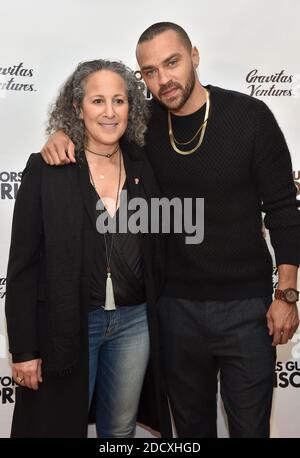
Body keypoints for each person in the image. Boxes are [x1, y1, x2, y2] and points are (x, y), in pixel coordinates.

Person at [41, 23, 300, 438]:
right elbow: (98, 135)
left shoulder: (250, 117)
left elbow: (285, 210)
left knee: (250, 429)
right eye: (149, 71)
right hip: (173, 311)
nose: (164, 80)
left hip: (246, 310)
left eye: (172, 62)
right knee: (190, 432)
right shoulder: (141, 129)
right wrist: (60, 134)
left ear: (194, 56)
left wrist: (286, 294)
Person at [5, 59, 170, 438]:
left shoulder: (146, 162)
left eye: (119, 100)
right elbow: (23, 267)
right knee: (59, 428)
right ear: (77, 108)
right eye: (97, 101)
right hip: (69, 324)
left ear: (133, 107)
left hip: (134, 323)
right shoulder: (48, 168)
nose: (110, 112)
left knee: (120, 430)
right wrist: (24, 350)